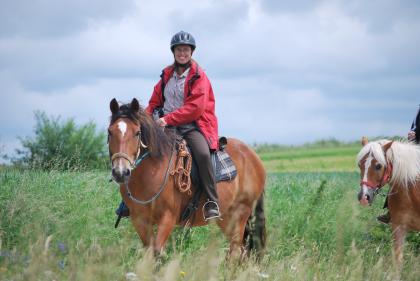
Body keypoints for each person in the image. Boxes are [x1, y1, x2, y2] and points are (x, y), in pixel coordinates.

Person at [116, 31, 221, 221]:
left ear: (191, 52)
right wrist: (144, 121)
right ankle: (127, 201)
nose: (183, 53)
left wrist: (168, 119)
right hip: (166, 125)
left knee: (203, 154)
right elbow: (154, 102)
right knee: (139, 146)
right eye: (179, 49)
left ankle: (212, 201)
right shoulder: (166, 76)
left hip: (193, 125)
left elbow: (195, 108)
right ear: (173, 52)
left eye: (186, 50)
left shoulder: (199, 76)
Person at [377, 104, 420, 224]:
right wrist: (413, 134)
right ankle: (391, 211)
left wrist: (416, 134)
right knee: (398, 173)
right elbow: (416, 127)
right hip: (416, 148)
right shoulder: (418, 109)